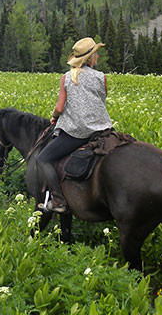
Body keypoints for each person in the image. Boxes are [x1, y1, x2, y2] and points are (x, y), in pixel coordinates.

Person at [37, 37, 113, 213]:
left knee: (43, 159)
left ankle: (58, 199)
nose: (98, 57)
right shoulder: (102, 77)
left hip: (77, 133)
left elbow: (59, 107)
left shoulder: (67, 78)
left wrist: (54, 117)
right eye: (95, 54)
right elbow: (101, 100)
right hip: (103, 130)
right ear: (89, 58)